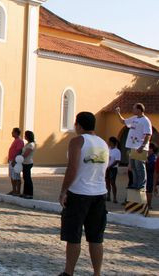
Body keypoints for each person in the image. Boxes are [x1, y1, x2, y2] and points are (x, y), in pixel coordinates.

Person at [58, 111, 109, 276]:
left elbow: (72, 168)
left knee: (73, 236)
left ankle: (69, 272)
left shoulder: (77, 142)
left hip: (79, 192)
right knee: (96, 238)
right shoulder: (103, 143)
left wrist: (64, 190)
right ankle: (97, 273)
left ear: (78, 125)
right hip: (99, 193)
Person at [114, 103, 152, 190]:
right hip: (133, 147)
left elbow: (148, 134)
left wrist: (142, 146)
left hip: (140, 148)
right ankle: (135, 184)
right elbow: (123, 122)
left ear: (139, 110)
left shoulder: (146, 120)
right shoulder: (134, 118)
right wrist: (118, 113)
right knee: (133, 167)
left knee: (140, 167)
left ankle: (141, 185)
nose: (132, 110)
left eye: (134, 109)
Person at [7, 128, 25, 196]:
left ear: (16, 133)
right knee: (12, 176)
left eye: (13, 132)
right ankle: (14, 190)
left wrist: (14, 160)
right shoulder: (15, 140)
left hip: (15, 161)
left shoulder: (19, 141)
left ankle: (18, 191)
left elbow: (19, 151)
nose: (12, 133)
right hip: (11, 160)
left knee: (16, 177)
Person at [21, 130, 37, 199]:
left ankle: (30, 194)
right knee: (25, 178)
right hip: (24, 162)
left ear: (28, 136)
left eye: (25, 135)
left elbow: (26, 154)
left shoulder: (31, 144)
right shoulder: (27, 144)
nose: (24, 136)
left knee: (28, 178)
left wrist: (20, 158)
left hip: (28, 163)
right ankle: (25, 193)